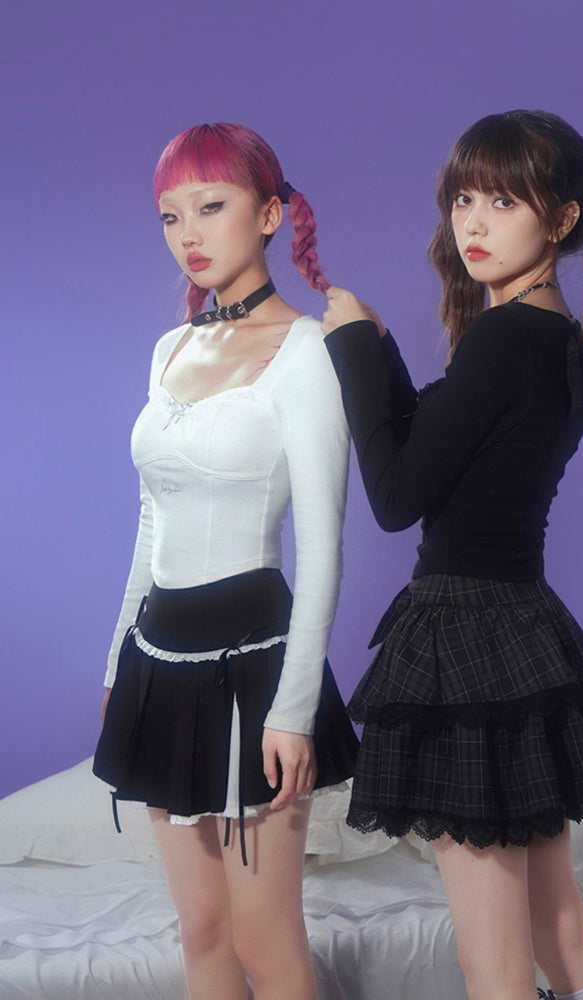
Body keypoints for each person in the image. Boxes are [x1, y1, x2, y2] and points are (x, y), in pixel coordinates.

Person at [322, 110, 583, 1000]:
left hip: (465, 642)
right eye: (463, 198)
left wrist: (349, 351)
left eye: (504, 202)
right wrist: (378, 346)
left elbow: (398, 497)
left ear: (563, 219)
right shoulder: (557, 336)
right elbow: (440, 441)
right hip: (523, 634)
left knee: (493, 964)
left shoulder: (504, 339)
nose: (472, 222)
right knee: (561, 928)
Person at [93, 122, 358, 1000]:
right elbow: (150, 518)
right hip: (157, 659)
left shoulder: (308, 351)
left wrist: (295, 708)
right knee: (201, 931)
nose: (189, 235)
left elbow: (323, 544)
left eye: (211, 207)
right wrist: (116, 662)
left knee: (264, 943)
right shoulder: (170, 348)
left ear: (271, 214)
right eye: (171, 217)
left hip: (257, 667)